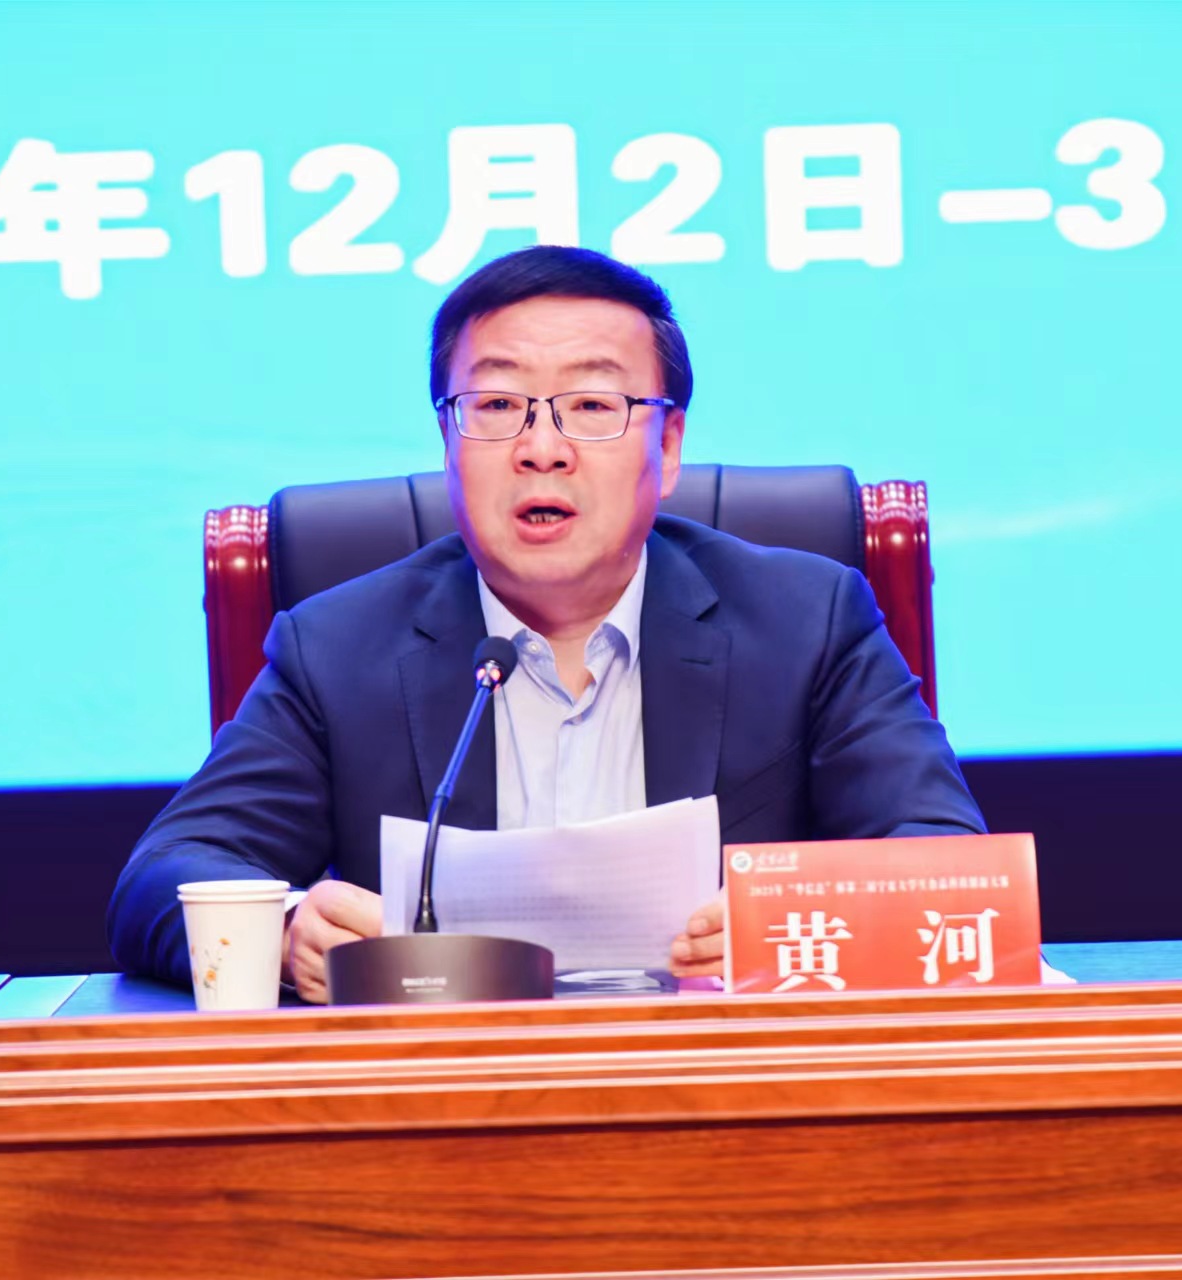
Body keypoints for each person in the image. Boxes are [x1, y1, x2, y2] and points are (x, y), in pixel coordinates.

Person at [108, 246, 985, 1002]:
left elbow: (944, 862)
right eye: (497, 406)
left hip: (731, 1095)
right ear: (449, 442)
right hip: (440, 1102)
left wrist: (791, 923)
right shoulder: (338, 648)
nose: (541, 448)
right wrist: (288, 929)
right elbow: (169, 872)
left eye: (593, 407)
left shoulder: (807, 622)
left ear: (667, 447)